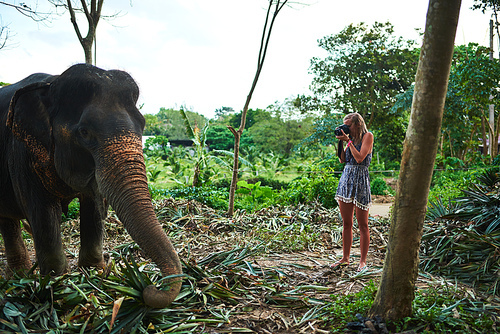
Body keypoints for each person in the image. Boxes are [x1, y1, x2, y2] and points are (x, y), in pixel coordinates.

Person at [333, 112, 373, 272]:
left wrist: (348, 141)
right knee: (347, 223)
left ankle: (362, 261)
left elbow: (359, 158)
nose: (345, 128)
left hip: (361, 179)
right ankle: (345, 258)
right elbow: (343, 160)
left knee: (363, 225)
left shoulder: (367, 136)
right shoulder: (349, 140)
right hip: (346, 179)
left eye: (348, 125)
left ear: (357, 124)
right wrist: (341, 143)